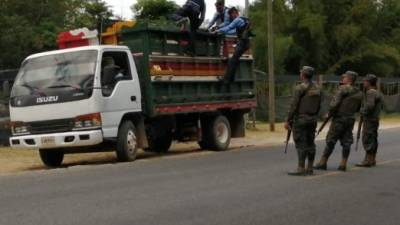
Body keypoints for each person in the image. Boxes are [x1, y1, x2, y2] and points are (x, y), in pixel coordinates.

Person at [314, 71, 363, 171]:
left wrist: (329, 113)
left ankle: (323, 162)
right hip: (350, 119)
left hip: (339, 118)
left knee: (331, 140)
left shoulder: (342, 89)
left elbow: (334, 104)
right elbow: (358, 108)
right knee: (347, 141)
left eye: (344, 77)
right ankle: (343, 164)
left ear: (349, 78)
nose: (342, 79)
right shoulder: (359, 92)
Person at [285, 66, 322, 176]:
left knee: (301, 143)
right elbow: (320, 104)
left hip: (301, 119)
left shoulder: (300, 88)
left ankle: (301, 167)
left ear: (303, 75)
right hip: (313, 119)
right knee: (311, 143)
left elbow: (294, 105)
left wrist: (288, 120)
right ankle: (310, 167)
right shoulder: (318, 88)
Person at [215, 7, 251, 83]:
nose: (232, 16)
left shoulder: (237, 20)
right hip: (246, 43)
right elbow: (233, 31)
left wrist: (218, 31)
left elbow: (229, 28)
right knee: (234, 60)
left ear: (235, 13)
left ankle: (226, 79)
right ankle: (231, 79)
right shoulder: (243, 19)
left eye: (232, 14)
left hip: (243, 43)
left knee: (232, 61)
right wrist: (222, 32)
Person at [356, 74, 384, 167]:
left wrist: (362, 111)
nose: (364, 83)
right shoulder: (376, 91)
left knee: (367, 138)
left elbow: (370, 105)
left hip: (369, 119)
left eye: (365, 81)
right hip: (374, 119)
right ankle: (372, 159)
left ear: (369, 82)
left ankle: (367, 160)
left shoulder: (370, 92)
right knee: (373, 138)